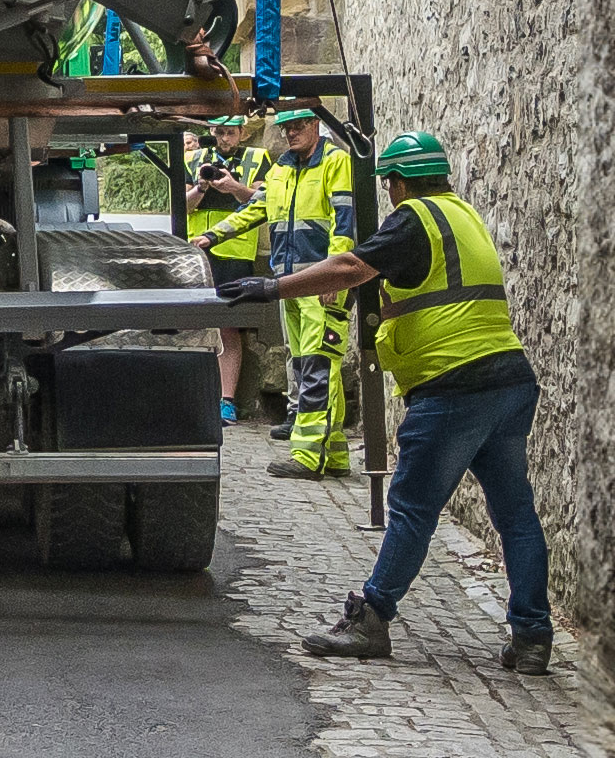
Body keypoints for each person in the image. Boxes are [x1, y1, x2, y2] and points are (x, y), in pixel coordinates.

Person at [217, 129, 552, 673]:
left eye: (390, 184)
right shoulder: (462, 214)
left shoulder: (413, 217)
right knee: (516, 514)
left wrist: (272, 288)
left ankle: (371, 617)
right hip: (509, 380)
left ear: (397, 183)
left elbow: (352, 266)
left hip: (453, 385)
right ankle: (533, 637)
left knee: (412, 509)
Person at [194, 105, 354, 478]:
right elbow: (256, 208)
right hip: (289, 283)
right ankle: (334, 452)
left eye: (297, 126)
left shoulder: (335, 162)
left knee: (317, 365)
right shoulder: (282, 167)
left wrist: (335, 276)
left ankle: (308, 456)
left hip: (320, 281)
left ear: (316, 124)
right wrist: (212, 235)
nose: (290, 133)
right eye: (285, 127)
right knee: (306, 365)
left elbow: (344, 222)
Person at [184, 116, 271, 426]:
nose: (224, 139)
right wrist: (201, 188)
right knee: (193, 325)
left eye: (230, 133)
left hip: (236, 254)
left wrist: (234, 187)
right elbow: (182, 206)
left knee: (230, 328)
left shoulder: (257, 158)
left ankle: (227, 400)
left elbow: (261, 203)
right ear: (212, 132)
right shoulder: (194, 159)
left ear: (242, 133)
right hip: (198, 253)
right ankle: (195, 395)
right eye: (219, 133)